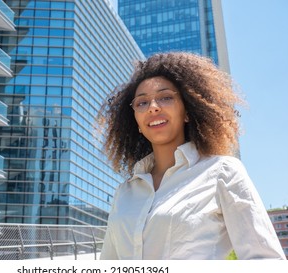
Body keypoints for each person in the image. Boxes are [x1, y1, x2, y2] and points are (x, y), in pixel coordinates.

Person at [98, 52, 286, 260]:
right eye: (142, 103)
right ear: (137, 123)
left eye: (166, 97)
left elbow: (266, 262)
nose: (153, 107)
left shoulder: (222, 172)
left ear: (188, 112)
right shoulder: (124, 193)